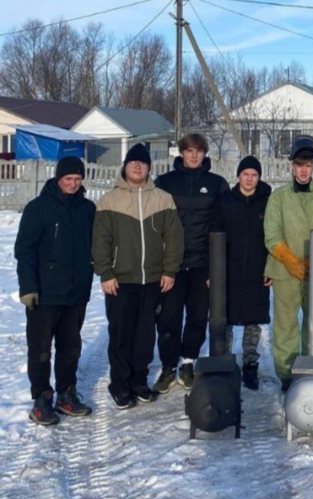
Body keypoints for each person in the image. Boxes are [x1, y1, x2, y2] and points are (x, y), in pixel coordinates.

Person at [93, 144, 184, 409]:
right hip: (120, 280)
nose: (137, 167)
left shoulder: (163, 199)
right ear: (125, 166)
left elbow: (174, 238)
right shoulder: (109, 200)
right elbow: (101, 241)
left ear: (149, 168)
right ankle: (120, 385)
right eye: (133, 162)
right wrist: (105, 273)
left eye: (143, 163)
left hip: (153, 279)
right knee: (121, 334)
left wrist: (169, 270)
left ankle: (138, 381)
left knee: (145, 336)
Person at [15, 157, 96, 425]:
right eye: (68, 179)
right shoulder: (38, 208)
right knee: (40, 349)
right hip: (44, 294)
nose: (73, 184)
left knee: (70, 347)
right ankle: (41, 398)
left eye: (77, 179)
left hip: (76, 293)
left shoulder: (87, 209)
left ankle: (66, 393)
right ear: (58, 179)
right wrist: (28, 287)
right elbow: (24, 250)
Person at [153, 133, 229, 393]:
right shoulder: (164, 183)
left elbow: (223, 225)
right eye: (189, 150)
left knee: (197, 316)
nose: (194, 155)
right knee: (168, 319)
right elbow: (155, 225)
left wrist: (215, 267)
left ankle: (188, 362)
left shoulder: (217, 184)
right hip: (171, 265)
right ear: (181, 153)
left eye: (198, 151)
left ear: (205, 154)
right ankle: (168, 367)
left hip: (202, 264)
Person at [264, 135, 313, 392]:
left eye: (309, 164)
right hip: (284, 271)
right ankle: (287, 372)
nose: (304, 170)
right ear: (291, 165)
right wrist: (289, 260)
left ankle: (311, 363)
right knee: (285, 323)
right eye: (299, 164)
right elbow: (272, 233)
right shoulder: (278, 197)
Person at [211, 155, 272, 391]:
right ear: (238, 176)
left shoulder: (267, 202)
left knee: (253, 320)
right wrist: (213, 271)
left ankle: (250, 366)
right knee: (224, 317)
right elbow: (214, 235)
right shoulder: (225, 202)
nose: (250, 178)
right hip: (228, 269)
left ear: (259, 177)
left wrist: (271, 268)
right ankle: (223, 361)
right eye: (246, 174)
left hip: (257, 269)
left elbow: (273, 236)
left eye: (254, 174)